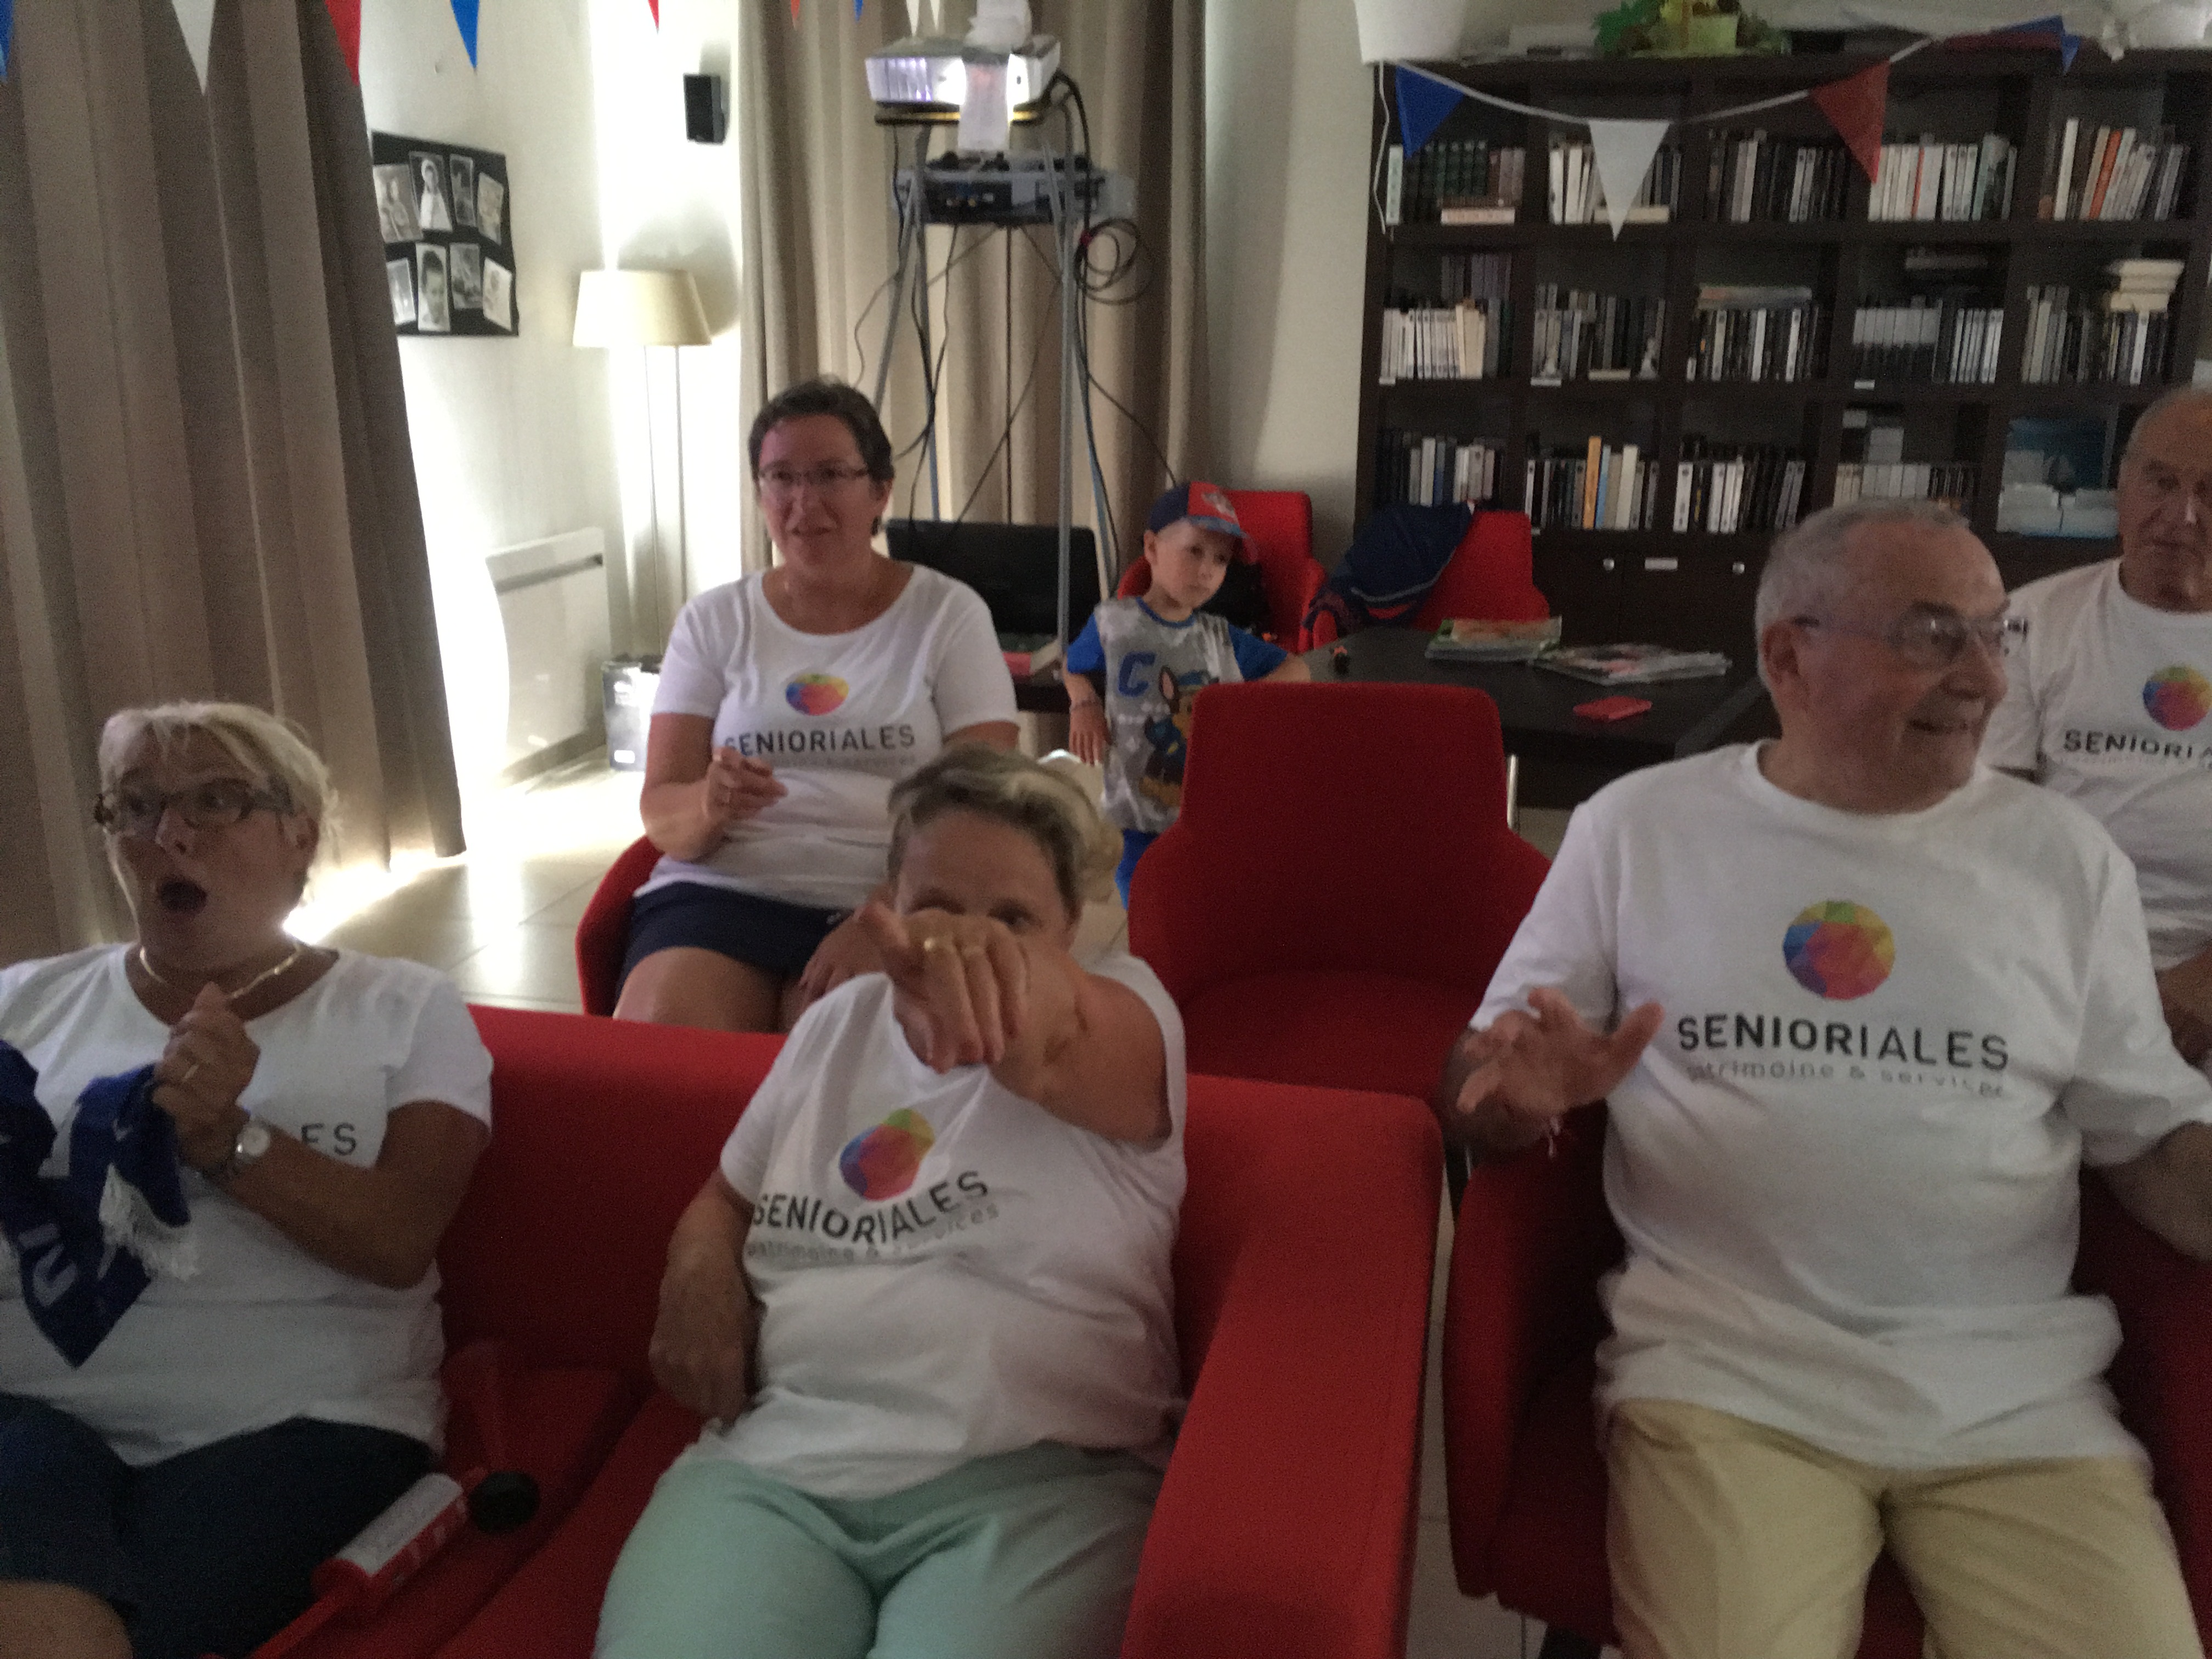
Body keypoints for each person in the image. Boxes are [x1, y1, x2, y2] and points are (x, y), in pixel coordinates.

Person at [1435, 499, 2212, 1659]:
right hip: (1726, 1377)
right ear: (1787, 658)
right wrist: (1509, 1094)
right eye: (1932, 634)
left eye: (1995, 635)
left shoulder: (2064, 857)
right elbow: (1477, 1077)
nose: (1985, 681)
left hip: (2014, 1396)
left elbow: (2144, 1134)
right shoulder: (1639, 829)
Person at [597, 745, 1184, 1659]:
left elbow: (1052, 1045)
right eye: (938, 907)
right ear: (889, 903)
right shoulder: (836, 1023)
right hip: (777, 1470)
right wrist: (698, 1266)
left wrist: (1005, 994)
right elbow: (726, 1195)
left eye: (1013, 918)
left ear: (1071, 925)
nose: (966, 940)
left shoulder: (1131, 1017)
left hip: (1041, 1487)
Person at [0, 703, 492, 1659]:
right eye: (135, 806)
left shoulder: (404, 1008)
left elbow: (400, 1239)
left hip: (299, 1423)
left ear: (299, 834)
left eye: (216, 801)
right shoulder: (26, 1001)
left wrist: (230, 1140)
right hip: (30, 1410)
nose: (169, 835)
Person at [617, 379, 1018, 1034]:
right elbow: (662, 813)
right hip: (727, 889)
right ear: (760, 494)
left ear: (880, 491)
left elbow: (985, 802)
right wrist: (709, 804)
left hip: (891, 888)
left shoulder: (948, 614)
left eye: (831, 475)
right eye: (781, 478)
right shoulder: (713, 621)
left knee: (838, 1046)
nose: (804, 503)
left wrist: (888, 911)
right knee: (662, 1041)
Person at [1983, 386, 2212, 1072]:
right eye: (2161, 482)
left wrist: (2205, 983)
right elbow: (1990, 826)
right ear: (2122, 485)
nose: (2182, 516)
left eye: (2211, 491)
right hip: (2056, 951)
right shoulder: (2030, 621)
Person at [1062, 482, 1310, 904]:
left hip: (1208, 815)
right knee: (1147, 914)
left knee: (1203, 908)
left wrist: (1238, 708)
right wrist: (1084, 702)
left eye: (1221, 559)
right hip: (1136, 817)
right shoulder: (1113, 622)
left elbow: (1298, 669)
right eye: (1195, 551)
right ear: (1152, 548)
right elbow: (1073, 664)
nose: (1208, 569)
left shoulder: (1220, 637)